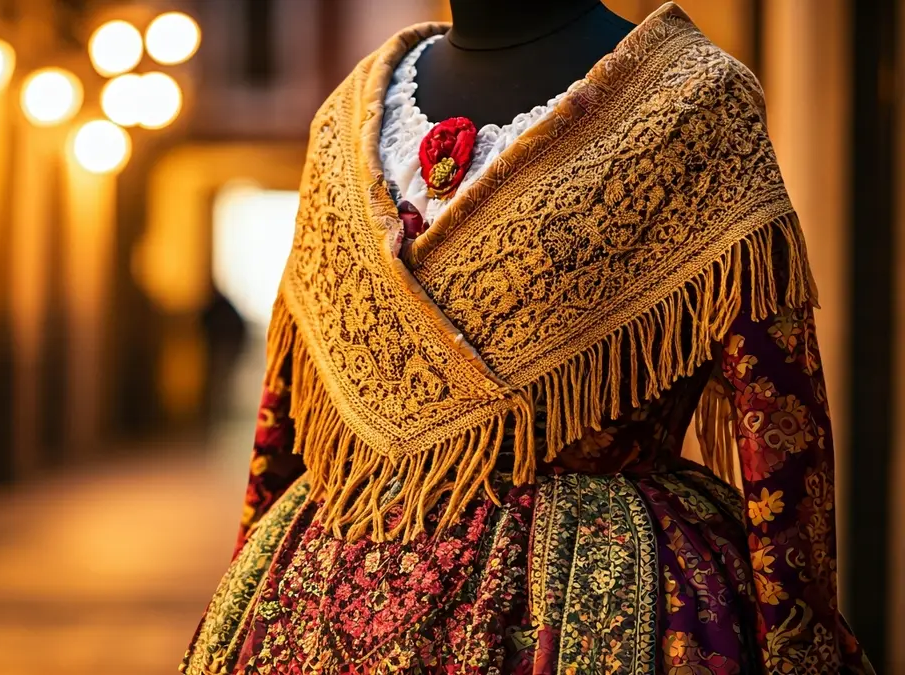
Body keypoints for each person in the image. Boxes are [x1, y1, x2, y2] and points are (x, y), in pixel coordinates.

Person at [182, 2, 875, 672]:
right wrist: (253, 564)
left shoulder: (693, 101)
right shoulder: (343, 121)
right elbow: (291, 407)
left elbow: (779, 415)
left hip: (607, 588)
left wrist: (799, 642)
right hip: (323, 588)